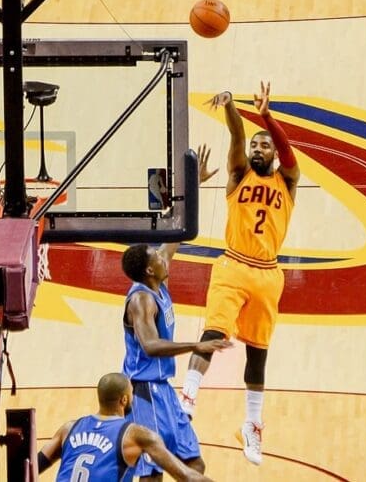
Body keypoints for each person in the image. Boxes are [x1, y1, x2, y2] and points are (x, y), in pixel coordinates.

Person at [180, 81, 300, 466]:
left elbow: (286, 150)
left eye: (264, 146)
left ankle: (251, 424)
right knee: (213, 334)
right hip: (232, 265)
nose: (258, 149)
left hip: (268, 274)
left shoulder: (289, 180)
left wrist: (266, 116)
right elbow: (236, 133)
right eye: (255, 146)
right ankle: (188, 398)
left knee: (258, 354)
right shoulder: (237, 174)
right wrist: (232, 106)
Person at [121, 145, 231, 481]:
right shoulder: (142, 300)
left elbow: (179, 231)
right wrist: (194, 346)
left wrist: (193, 185)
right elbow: (151, 346)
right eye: (156, 255)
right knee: (153, 474)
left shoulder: (157, 278)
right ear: (150, 270)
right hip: (145, 391)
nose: (162, 255)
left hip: (164, 389)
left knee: (194, 464)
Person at [37, 372, 213, 482]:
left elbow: (31, 466)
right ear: (124, 400)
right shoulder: (135, 434)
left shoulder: (69, 428)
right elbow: (187, 476)